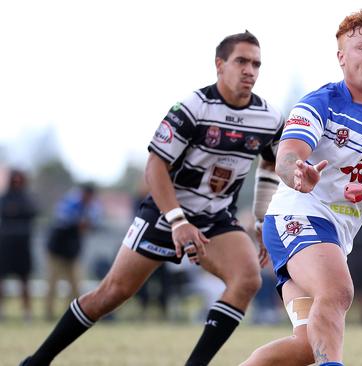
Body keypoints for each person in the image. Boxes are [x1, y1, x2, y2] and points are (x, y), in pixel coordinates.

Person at [21, 30, 284, 366]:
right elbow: (155, 166)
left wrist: (261, 216)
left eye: (257, 64)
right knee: (111, 294)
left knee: (247, 278)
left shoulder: (269, 117)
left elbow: (272, 159)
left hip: (215, 218)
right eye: (242, 61)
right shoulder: (193, 107)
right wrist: (177, 222)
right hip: (166, 214)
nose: (250, 70)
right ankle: (36, 361)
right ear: (219, 65)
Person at [241, 9, 362, 366]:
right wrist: (296, 172)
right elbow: (287, 156)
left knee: (304, 346)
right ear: (342, 58)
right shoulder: (320, 103)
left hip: (336, 233)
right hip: (295, 218)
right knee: (339, 290)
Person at [44, 183, 101, 321]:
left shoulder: (92, 207)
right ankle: (49, 314)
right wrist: (78, 223)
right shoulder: (69, 202)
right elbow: (62, 220)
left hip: (73, 252)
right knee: (52, 284)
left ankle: (70, 316)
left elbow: (94, 223)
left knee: (76, 285)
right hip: (56, 251)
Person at [0, 169, 38, 321]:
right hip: (6, 244)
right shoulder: (4, 198)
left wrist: (16, 212)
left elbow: (33, 212)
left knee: (24, 280)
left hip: (23, 244)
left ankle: (26, 312)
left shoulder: (27, 198)